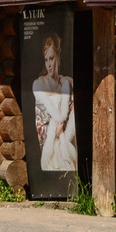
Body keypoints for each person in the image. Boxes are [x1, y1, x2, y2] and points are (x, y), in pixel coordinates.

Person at [33, 33, 75, 174]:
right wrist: (56, 126)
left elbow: (71, 114)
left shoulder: (65, 83)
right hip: (49, 136)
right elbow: (41, 119)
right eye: (46, 60)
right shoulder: (40, 83)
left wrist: (62, 126)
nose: (49, 64)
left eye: (51, 58)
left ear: (58, 57)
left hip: (64, 136)